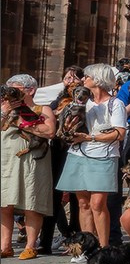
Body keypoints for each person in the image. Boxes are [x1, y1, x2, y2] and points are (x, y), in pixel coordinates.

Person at [56, 64, 127, 250]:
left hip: (103, 155)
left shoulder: (115, 104)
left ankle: (103, 247)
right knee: (83, 202)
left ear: (97, 80)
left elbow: (120, 134)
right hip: (78, 153)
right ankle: (87, 246)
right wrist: (68, 131)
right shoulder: (82, 102)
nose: (82, 79)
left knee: (98, 203)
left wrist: (91, 137)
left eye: (86, 76)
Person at [0, 75, 56, 259]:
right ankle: (5, 246)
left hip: (33, 161)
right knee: (4, 203)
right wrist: (5, 111)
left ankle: (31, 245)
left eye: (15, 89)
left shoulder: (42, 109)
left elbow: (49, 132)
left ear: (30, 90)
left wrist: (20, 122)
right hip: (7, 159)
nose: (11, 93)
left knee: (32, 202)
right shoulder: (4, 107)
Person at [38, 66, 83, 253]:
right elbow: (51, 113)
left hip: (78, 148)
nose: (70, 81)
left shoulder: (85, 97)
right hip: (59, 149)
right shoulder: (59, 99)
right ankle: (45, 242)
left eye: (74, 78)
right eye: (67, 77)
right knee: (54, 194)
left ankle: (76, 239)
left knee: (77, 198)